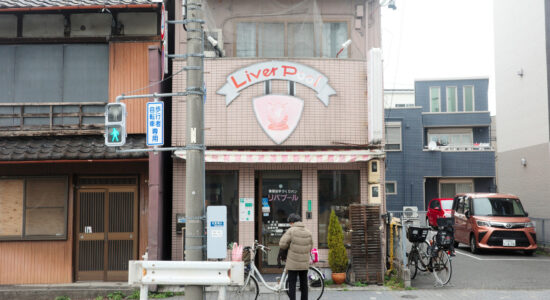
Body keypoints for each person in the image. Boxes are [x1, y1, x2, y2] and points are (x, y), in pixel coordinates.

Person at [279, 213, 313, 300]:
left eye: (290, 223)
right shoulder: (308, 232)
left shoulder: (291, 231)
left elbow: (282, 244)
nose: (290, 224)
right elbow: (311, 246)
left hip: (293, 263)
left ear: (292, 222)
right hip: (304, 263)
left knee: (292, 285)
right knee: (304, 285)